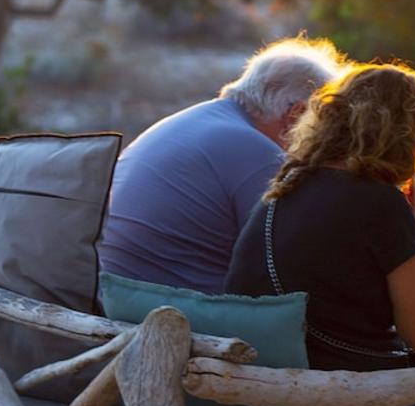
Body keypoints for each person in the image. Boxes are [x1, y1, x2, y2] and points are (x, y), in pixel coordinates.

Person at [225, 63, 415, 406]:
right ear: (410, 135)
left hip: (267, 388)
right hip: (341, 398)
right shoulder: (380, 202)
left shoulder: (283, 190)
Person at [98, 36, 344, 294]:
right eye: (325, 122)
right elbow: (294, 261)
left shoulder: (192, 120)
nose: (324, 137)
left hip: (115, 291)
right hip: (171, 305)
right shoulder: (256, 150)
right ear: (296, 115)